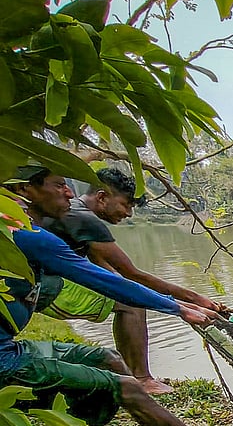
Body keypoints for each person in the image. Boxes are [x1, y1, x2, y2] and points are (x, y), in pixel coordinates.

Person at [3, 165, 233, 426]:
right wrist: (180, 307)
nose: (69, 192)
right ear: (24, 189)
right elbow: (112, 280)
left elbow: (113, 276)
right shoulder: (30, 236)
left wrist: (185, 302)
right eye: (58, 185)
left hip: (12, 345)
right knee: (126, 385)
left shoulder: (24, 228)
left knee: (110, 359)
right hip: (7, 361)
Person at [38, 167, 222, 395]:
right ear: (102, 197)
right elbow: (132, 274)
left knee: (129, 296)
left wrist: (183, 305)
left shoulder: (74, 213)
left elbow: (112, 277)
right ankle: (142, 379)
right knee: (131, 304)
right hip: (43, 288)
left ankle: (130, 375)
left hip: (45, 283)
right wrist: (194, 298)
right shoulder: (83, 219)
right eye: (126, 204)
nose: (128, 214)